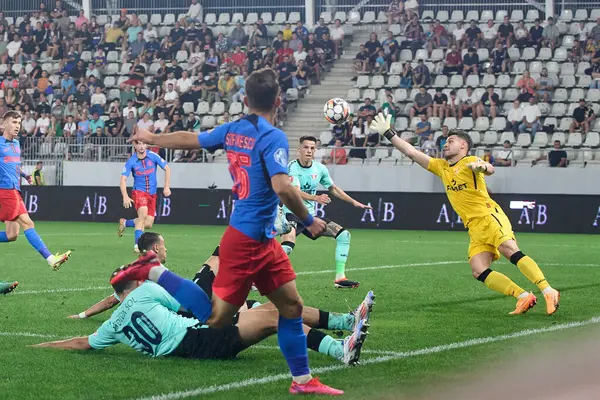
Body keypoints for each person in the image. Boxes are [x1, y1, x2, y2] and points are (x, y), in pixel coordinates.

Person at [121, 68, 341, 395]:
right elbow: (282, 186)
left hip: (260, 238)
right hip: (246, 239)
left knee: (292, 306)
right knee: (216, 318)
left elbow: (190, 139)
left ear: (245, 99)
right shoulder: (273, 136)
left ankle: (302, 380)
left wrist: (153, 139)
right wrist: (309, 220)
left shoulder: (233, 130)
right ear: (278, 101)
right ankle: (155, 271)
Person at [56, 232, 373, 366]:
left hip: (196, 330)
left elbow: (83, 342)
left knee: (276, 308)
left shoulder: (118, 319)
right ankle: (341, 350)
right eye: (162, 245)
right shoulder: (148, 289)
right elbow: (187, 303)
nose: (165, 248)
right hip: (198, 332)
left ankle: (346, 322)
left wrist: (64, 332)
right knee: (273, 315)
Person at [369, 113, 560, 315]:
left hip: (489, 216)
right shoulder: (442, 167)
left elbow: (490, 168)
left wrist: (482, 166)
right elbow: (412, 152)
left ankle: (548, 290)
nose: (445, 144)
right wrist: (389, 134)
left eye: (450, 141)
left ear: (463, 146)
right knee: (478, 269)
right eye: (444, 141)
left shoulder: (470, 161)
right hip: (474, 227)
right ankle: (523, 296)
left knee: (509, 249)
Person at [278, 136, 371, 288]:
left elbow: (333, 188)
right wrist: (316, 198)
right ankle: (258, 277)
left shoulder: (320, 169)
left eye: (312, 148)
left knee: (344, 235)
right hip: (292, 212)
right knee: (288, 245)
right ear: (299, 150)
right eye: (306, 147)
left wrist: (354, 202)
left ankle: (340, 279)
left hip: (310, 217)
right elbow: (295, 192)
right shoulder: (291, 167)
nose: (309, 151)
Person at [0, 111, 71, 289]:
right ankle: (50, 259)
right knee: (28, 223)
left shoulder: (16, 144)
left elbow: (14, 166)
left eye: (19, 122)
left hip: (15, 189)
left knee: (12, 235)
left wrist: (24, 175)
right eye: (14, 122)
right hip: (6, 191)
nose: (17, 125)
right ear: (4, 124)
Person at [118, 141, 171, 252]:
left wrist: (166, 186)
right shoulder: (131, 161)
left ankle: (126, 223)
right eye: (139, 144)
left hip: (152, 194)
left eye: (143, 144)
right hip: (139, 192)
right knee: (142, 215)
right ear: (135, 145)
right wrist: (125, 196)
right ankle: (137, 246)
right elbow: (123, 179)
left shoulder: (153, 156)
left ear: (146, 145)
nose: (141, 147)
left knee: (148, 223)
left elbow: (167, 168)